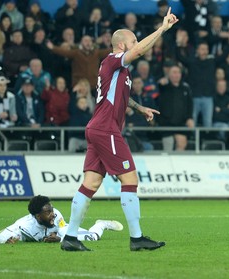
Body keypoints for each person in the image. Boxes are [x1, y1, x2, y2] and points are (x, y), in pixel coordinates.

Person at [60, 7, 179, 252]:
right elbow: (139, 50)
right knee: (130, 179)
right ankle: (137, 239)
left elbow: (121, 98)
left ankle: (70, 237)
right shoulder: (113, 60)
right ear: (122, 45)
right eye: (133, 40)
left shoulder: (120, 71)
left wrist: (139, 107)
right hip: (106, 130)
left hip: (98, 128)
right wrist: (162, 29)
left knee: (91, 183)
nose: (137, 44)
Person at [0, 195, 123, 244]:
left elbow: (64, 232)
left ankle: (101, 225)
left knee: (93, 237)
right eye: (48, 212)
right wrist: (6, 240)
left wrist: (59, 239)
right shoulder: (24, 225)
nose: (53, 214)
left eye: (52, 209)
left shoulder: (56, 216)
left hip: (63, 229)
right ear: (38, 216)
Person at [158, 65, 194, 151]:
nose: (176, 75)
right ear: (169, 75)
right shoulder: (164, 87)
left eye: (178, 72)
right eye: (174, 72)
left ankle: (178, 164)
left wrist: (190, 118)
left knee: (182, 144)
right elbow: (159, 85)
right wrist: (161, 82)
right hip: (166, 123)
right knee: (168, 146)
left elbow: (190, 104)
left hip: (181, 122)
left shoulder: (185, 88)